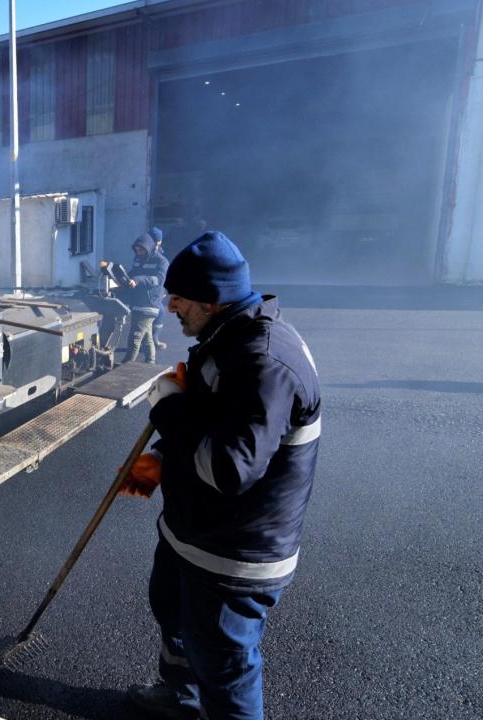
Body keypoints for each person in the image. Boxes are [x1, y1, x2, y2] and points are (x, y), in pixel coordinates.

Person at [119, 232, 321, 720]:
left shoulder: (262, 362)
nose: (169, 306)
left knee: (225, 666)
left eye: (178, 298)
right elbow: (212, 423)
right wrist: (163, 455)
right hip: (193, 534)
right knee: (175, 617)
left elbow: (230, 469)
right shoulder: (225, 339)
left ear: (210, 301)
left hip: (233, 553)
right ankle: (181, 697)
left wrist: (168, 408)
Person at [121, 232, 169, 364]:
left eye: (141, 250)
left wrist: (137, 280)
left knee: (135, 337)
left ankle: (126, 365)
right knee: (147, 338)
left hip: (150, 303)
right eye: (137, 250)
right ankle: (150, 363)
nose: (139, 253)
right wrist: (124, 278)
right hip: (137, 302)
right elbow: (133, 273)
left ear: (148, 247)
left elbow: (159, 280)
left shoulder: (162, 261)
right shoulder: (138, 259)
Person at [150, 227, 169, 351]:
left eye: (158, 241)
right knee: (158, 312)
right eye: (154, 241)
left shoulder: (161, 254)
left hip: (158, 289)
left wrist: (164, 289)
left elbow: (163, 274)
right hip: (149, 289)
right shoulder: (145, 254)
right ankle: (152, 341)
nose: (156, 244)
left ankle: (154, 339)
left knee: (160, 313)